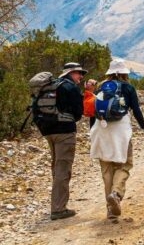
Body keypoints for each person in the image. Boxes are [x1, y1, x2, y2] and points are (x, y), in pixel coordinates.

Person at [89, 58, 144, 220]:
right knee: (124, 164)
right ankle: (116, 194)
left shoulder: (101, 88)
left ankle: (110, 209)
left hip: (101, 130)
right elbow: (136, 110)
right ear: (123, 73)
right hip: (121, 131)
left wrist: (93, 132)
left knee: (106, 170)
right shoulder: (128, 88)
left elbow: (94, 112)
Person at [40, 62, 86, 220]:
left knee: (56, 166)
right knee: (63, 168)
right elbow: (79, 113)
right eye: (79, 73)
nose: (81, 76)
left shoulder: (51, 85)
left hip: (47, 131)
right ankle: (59, 209)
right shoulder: (70, 87)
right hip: (65, 132)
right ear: (71, 73)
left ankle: (57, 203)